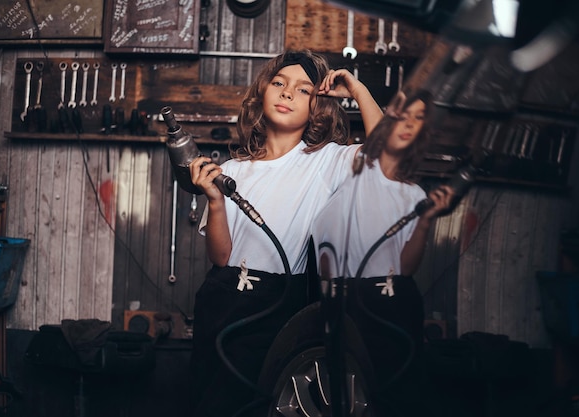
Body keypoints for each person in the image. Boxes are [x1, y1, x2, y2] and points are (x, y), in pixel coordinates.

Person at [186, 49, 384, 417]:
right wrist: (215, 202)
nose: (287, 92)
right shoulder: (233, 169)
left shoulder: (325, 162)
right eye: (279, 83)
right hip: (222, 300)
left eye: (303, 89)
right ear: (263, 93)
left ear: (318, 106)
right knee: (208, 403)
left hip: (277, 304)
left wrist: (358, 91)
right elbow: (221, 258)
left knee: (260, 403)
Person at [310, 89, 457, 417]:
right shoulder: (357, 169)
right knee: (347, 393)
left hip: (395, 301)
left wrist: (425, 222)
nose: (409, 124)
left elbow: (406, 268)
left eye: (418, 118)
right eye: (402, 114)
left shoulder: (414, 194)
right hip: (348, 297)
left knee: (396, 395)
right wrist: (356, 87)